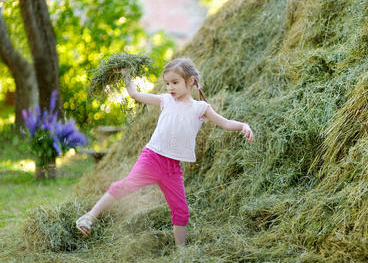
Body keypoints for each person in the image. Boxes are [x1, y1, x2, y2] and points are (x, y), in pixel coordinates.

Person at [76, 57, 254, 246]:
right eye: (167, 83)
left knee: (181, 211)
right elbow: (135, 95)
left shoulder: (201, 108)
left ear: (191, 81)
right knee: (126, 185)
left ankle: (181, 252)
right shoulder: (166, 100)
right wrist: (126, 76)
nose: (170, 87)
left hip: (172, 168)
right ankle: (89, 217)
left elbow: (225, 123)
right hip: (152, 158)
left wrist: (243, 125)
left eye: (175, 83)